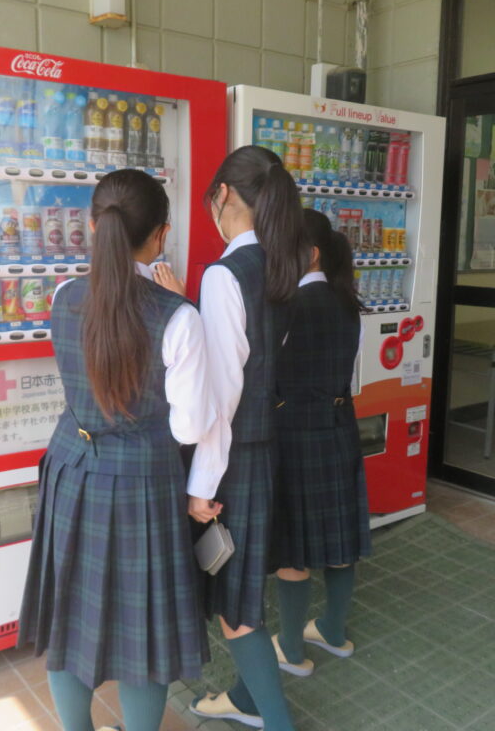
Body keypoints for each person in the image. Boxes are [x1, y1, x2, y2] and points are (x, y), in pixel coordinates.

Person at [17, 169, 217, 731]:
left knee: (70, 619)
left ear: (92, 226)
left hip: (71, 468)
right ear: (161, 236)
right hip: (142, 483)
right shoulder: (178, 316)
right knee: (144, 632)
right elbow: (190, 427)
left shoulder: (64, 296)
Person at [157, 145, 309, 731]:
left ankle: (275, 720)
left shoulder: (225, 274)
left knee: (235, 608)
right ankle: (248, 699)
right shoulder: (283, 263)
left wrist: (201, 485)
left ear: (223, 194)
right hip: (269, 450)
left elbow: (221, 396)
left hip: (234, 461)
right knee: (246, 589)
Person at [267, 209, 372, 680]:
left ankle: (291, 649)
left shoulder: (288, 307)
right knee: (339, 537)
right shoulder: (347, 302)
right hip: (339, 425)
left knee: (294, 548)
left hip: (295, 433)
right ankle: (332, 629)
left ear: (309, 254)